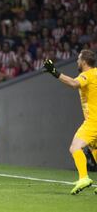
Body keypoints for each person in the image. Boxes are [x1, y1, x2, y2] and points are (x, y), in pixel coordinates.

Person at [43, 49, 97, 195]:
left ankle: (84, 178)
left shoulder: (87, 75)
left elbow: (74, 83)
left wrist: (55, 72)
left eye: (79, 59)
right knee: (94, 149)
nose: (77, 61)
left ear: (84, 61)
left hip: (93, 121)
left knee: (75, 148)